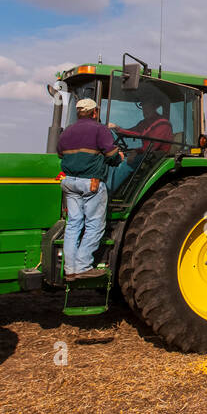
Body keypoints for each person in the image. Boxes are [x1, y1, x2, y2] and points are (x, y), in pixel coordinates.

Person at [56, 98, 121, 280]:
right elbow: (111, 154)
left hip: (69, 182)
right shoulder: (100, 129)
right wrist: (118, 157)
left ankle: (70, 269)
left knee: (73, 224)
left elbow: (60, 153)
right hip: (90, 183)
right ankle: (83, 266)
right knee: (94, 225)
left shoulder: (67, 131)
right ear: (95, 113)